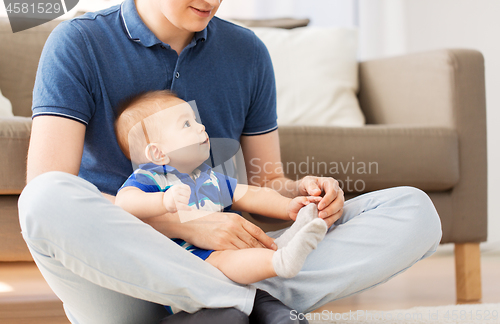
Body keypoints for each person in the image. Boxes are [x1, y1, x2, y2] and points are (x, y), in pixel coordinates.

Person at [18, 0, 443, 323]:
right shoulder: (79, 42)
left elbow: (268, 179)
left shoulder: (247, 52)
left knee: (413, 209)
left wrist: (306, 196)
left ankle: (223, 305)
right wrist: (180, 222)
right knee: (43, 198)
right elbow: (48, 184)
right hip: (121, 274)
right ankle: (253, 303)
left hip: (225, 257)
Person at [114, 90, 328, 292]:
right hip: (187, 264)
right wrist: (163, 201)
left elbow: (250, 194)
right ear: (158, 153)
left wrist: (288, 207)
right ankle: (280, 261)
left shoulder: (208, 177)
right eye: (187, 124)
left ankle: (283, 247)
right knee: (223, 259)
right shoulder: (152, 177)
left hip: (221, 251)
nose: (201, 127)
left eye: (196, 120)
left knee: (239, 253)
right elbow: (123, 203)